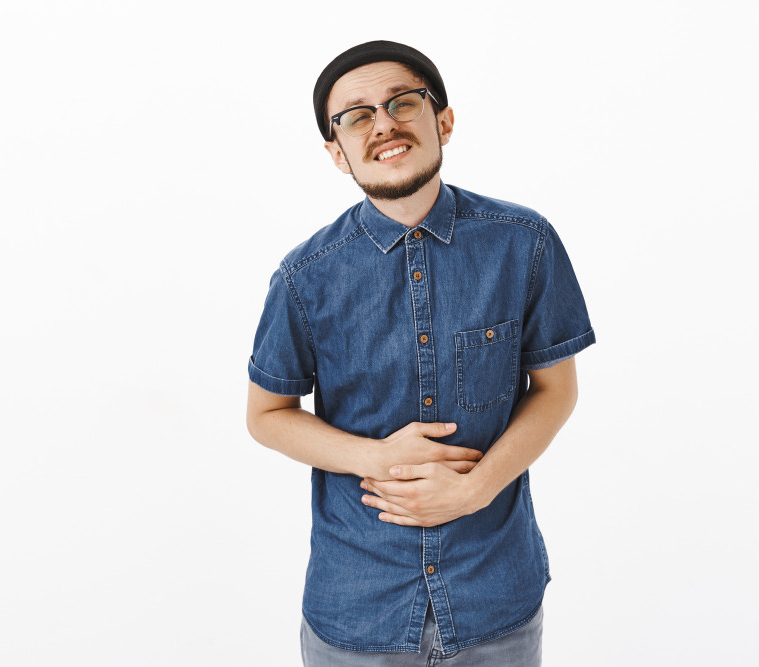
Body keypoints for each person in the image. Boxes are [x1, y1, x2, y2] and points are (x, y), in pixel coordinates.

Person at [245, 40, 595, 665]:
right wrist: (375, 457)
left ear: (444, 120)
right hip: (358, 605)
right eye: (357, 116)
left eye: (402, 102)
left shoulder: (524, 244)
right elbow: (266, 415)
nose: (383, 124)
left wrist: (476, 489)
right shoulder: (305, 276)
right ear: (337, 151)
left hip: (495, 595)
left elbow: (556, 390)